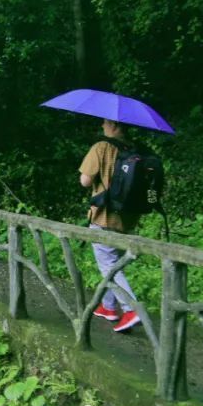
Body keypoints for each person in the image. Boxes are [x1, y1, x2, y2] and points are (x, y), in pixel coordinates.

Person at [80, 119, 142, 333]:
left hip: (104, 216)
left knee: (108, 265)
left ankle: (132, 309)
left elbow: (85, 181)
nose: (101, 125)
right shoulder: (136, 149)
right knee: (113, 263)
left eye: (105, 122)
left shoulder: (101, 147)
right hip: (128, 218)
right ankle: (109, 307)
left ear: (114, 125)